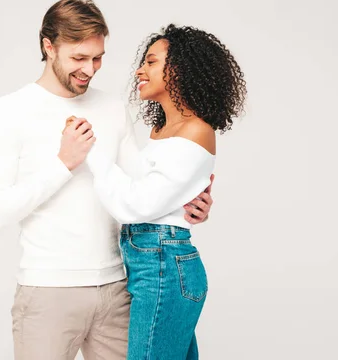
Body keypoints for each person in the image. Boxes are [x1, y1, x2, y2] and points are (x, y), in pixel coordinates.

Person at [0, 0, 214, 360]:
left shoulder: (111, 107)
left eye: (98, 57)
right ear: (48, 47)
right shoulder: (10, 111)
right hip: (49, 291)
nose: (90, 69)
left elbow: (141, 187)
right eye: (79, 58)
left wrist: (186, 201)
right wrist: (63, 163)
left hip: (119, 288)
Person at [80, 24, 247, 359]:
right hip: (154, 263)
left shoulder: (196, 129)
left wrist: (91, 151)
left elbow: (137, 205)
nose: (140, 70)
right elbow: (156, 193)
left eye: (152, 62)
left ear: (180, 70)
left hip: (163, 267)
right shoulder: (161, 130)